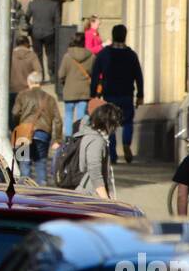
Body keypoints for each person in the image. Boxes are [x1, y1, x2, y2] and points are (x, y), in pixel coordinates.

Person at [90, 24, 144, 164]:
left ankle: (112, 154)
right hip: (127, 93)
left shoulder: (104, 54)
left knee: (110, 123)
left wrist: (94, 94)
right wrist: (140, 95)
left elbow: (95, 74)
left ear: (113, 35)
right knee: (127, 122)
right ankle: (126, 143)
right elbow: (138, 76)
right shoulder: (131, 54)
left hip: (110, 94)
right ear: (125, 36)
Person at [12, 71, 62, 184]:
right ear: (41, 83)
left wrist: (17, 125)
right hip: (43, 134)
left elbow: (15, 113)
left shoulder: (22, 95)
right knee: (41, 163)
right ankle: (41, 191)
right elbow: (58, 120)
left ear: (29, 82)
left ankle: (24, 191)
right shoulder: (50, 98)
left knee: (24, 164)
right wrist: (57, 139)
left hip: (23, 134)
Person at [70, 103, 123, 198]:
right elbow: (95, 172)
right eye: (115, 125)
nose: (115, 129)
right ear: (108, 123)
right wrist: (105, 199)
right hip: (90, 195)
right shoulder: (96, 140)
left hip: (88, 192)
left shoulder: (89, 135)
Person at [57, 31, 94, 136]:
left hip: (69, 91)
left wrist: (65, 82)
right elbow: (94, 73)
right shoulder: (91, 56)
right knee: (81, 116)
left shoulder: (67, 56)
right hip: (84, 91)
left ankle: (68, 139)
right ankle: (79, 136)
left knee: (68, 115)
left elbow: (61, 74)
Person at [26, 0, 60, 82]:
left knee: (38, 55)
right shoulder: (54, 5)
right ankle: (51, 72)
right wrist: (53, 29)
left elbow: (26, 17)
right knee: (50, 54)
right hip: (50, 32)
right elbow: (57, 21)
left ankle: (40, 75)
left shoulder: (33, 4)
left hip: (36, 32)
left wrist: (30, 27)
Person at [9, 35, 42, 121]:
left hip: (12, 89)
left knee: (12, 114)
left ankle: (14, 132)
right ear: (27, 44)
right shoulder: (32, 55)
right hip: (27, 90)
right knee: (27, 114)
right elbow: (38, 71)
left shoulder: (9, 55)